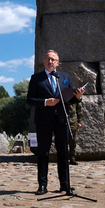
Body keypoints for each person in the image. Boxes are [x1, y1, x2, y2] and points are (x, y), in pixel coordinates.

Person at [27, 50, 84, 195]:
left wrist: (77, 97)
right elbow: (30, 99)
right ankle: (42, 185)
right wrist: (46, 102)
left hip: (62, 120)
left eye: (53, 60)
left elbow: (70, 100)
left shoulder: (64, 77)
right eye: (48, 59)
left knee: (63, 153)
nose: (51, 62)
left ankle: (65, 185)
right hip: (44, 120)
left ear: (58, 63)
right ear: (44, 62)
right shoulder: (36, 78)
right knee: (43, 153)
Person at [68, 100, 83, 165]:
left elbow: (79, 109)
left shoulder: (74, 95)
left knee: (72, 140)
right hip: (62, 120)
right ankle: (63, 157)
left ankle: (72, 157)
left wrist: (79, 121)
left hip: (72, 121)